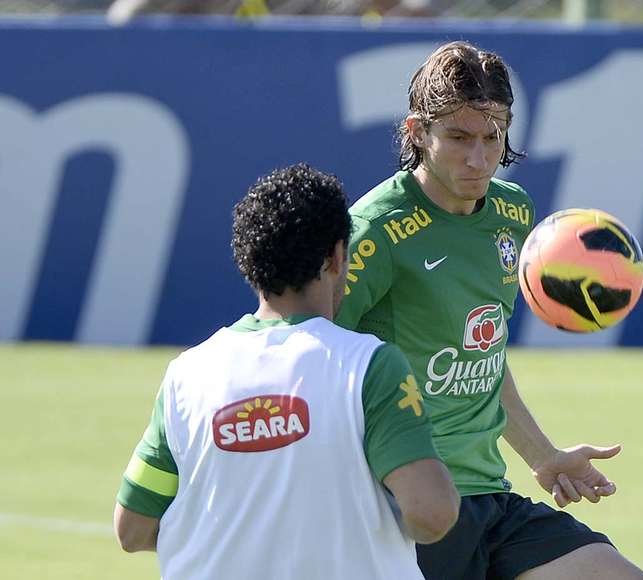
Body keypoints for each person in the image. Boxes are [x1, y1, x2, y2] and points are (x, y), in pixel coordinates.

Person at [334, 42, 643, 580]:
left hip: (488, 499)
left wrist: (543, 456)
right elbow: (306, 354)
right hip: (401, 508)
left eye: (492, 136)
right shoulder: (375, 230)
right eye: (459, 138)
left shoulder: (512, 212)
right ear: (418, 132)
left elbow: (483, 354)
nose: (479, 159)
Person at [113, 163, 460, 579]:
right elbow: (431, 514)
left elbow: (132, 527)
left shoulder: (185, 374)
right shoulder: (369, 365)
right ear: (336, 256)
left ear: (249, 260)